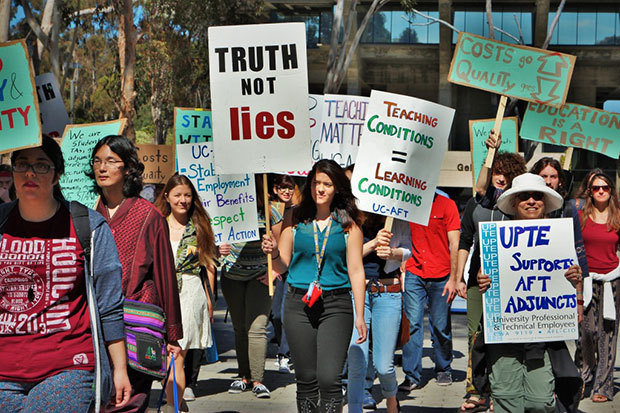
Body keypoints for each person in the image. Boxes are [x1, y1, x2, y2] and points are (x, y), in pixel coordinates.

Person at [0, 135, 131, 411]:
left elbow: (109, 307)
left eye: (42, 165)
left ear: (58, 174)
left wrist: (120, 369)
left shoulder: (88, 227)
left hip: (68, 370)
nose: (30, 172)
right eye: (22, 164)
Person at [262, 159, 368, 413]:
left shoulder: (348, 223)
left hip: (337, 304)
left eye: (327, 184)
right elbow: (282, 266)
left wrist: (361, 315)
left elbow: (356, 270)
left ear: (337, 188)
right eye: (316, 183)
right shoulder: (295, 217)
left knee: (329, 378)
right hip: (298, 303)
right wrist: (274, 252)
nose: (320, 189)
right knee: (306, 379)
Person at [88, 135, 183, 412]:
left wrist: (173, 334)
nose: (102, 168)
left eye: (110, 161)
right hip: (95, 325)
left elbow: (165, 275)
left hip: (137, 323)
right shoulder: (86, 214)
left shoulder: (149, 215)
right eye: (97, 161)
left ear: (128, 168)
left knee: (130, 401)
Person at [478, 173, 583, 413]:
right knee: (506, 399)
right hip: (504, 334)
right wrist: (481, 279)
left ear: (545, 203)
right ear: (514, 203)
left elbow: (568, 278)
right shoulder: (494, 238)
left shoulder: (559, 239)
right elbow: (477, 275)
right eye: (524, 197)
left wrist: (572, 279)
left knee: (540, 401)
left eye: (538, 196)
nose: (532, 201)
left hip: (542, 339)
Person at [155, 174, 217, 407]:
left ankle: (175, 408)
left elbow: (208, 264)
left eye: (188, 195)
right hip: (162, 294)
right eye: (178, 195)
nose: (183, 200)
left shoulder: (200, 225)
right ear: (167, 197)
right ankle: (178, 402)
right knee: (164, 358)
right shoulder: (157, 223)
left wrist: (210, 299)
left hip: (190, 293)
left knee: (176, 355)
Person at [219, 179, 283, 399]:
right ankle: (244, 376)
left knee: (257, 328)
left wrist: (274, 267)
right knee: (240, 327)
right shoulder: (223, 207)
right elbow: (211, 238)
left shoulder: (270, 212)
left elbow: (281, 246)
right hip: (231, 276)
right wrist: (219, 248)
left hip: (260, 277)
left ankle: (257, 379)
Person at [347, 211, 411, 413]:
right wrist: (374, 243)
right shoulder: (351, 217)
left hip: (387, 292)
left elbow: (408, 250)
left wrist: (393, 254)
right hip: (358, 293)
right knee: (357, 358)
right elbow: (346, 254)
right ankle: (354, 408)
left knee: (384, 365)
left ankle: (391, 399)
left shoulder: (397, 215)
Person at [398, 192, 460, 392]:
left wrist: (453, 278)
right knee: (412, 324)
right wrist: (401, 266)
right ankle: (412, 375)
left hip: (441, 275)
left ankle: (443, 367)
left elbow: (455, 244)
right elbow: (399, 236)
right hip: (414, 272)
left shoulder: (447, 205)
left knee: (440, 326)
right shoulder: (407, 203)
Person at [575, 171, 620, 403]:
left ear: (611, 190)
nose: (600, 191)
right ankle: (583, 377)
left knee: (608, 334)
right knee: (586, 333)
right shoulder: (580, 216)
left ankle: (603, 385)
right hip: (585, 281)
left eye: (605, 187)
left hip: (612, 280)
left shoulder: (618, 216)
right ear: (590, 192)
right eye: (595, 188)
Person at [269, 174, 297, 374]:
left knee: (287, 315)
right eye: (282, 188)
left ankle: (284, 354)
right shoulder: (270, 212)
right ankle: (284, 346)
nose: (286, 192)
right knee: (276, 314)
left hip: (294, 268)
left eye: (290, 188)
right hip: (277, 269)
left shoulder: (298, 212)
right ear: (274, 190)